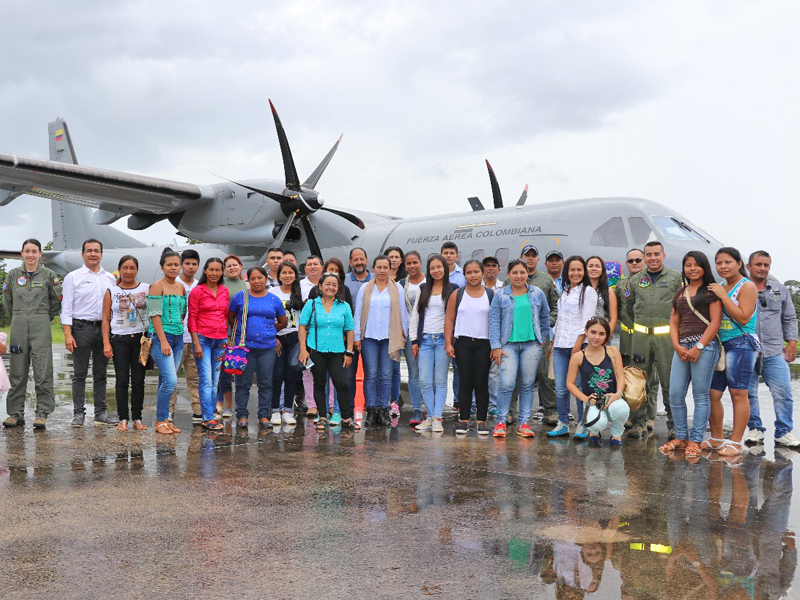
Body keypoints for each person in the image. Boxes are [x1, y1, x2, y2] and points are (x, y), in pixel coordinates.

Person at [658, 251, 721, 459]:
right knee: (675, 394)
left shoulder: (711, 292)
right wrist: (676, 345)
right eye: (688, 265)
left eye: (696, 265)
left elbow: (715, 322)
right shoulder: (679, 293)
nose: (692, 268)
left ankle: (695, 440)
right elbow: (673, 322)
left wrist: (699, 346)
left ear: (704, 267)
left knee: (701, 395)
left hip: (705, 346)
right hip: (682, 347)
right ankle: (681, 437)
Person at [624, 241, 682, 440]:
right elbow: (629, 308)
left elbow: (681, 307)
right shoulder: (635, 281)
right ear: (644, 257)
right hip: (640, 338)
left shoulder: (675, 278)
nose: (652, 258)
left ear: (663, 256)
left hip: (665, 337)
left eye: (656, 254)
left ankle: (674, 426)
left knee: (669, 381)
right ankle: (638, 423)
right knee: (638, 381)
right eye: (648, 254)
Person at [705, 247, 759, 457]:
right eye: (719, 263)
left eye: (728, 262)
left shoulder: (747, 286)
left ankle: (735, 442)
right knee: (713, 393)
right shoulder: (719, 286)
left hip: (741, 343)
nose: (723, 266)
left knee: (738, 393)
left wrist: (723, 296)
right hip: (720, 345)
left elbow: (743, 317)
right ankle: (717, 438)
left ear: (739, 264)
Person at [2, 239, 62, 429]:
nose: (30, 255)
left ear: (40, 254)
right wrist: (17, 317)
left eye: (34, 251)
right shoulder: (12, 275)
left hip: (41, 325)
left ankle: (42, 413)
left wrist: (45, 316)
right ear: (22, 253)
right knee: (17, 372)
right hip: (18, 325)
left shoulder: (49, 275)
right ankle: (15, 413)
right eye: (27, 251)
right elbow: (7, 302)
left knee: (43, 370)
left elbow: (57, 300)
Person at [489, 259, 551, 438]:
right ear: (508, 274)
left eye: (522, 272)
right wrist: (496, 346)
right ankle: (500, 421)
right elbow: (494, 321)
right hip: (508, 345)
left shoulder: (537, 293)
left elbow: (545, 316)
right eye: (514, 272)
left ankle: (524, 423)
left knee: (527, 385)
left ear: (527, 274)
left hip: (531, 345)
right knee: (506, 383)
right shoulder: (500, 295)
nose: (519, 276)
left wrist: (543, 339)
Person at [61, 238, 118, 427]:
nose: (93, 254)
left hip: (103, 329)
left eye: (96, 250)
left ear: (101, 254)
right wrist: (68, 333)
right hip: (81, 328)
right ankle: (78, 414)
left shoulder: (109, 278)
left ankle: (100, 413)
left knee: (100, 373)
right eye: (89, 250)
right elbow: (66, 307)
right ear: (82, 254)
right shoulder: (73, 277)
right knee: (80, 373)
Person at [744, 251, 799, 448]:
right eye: (758, 264)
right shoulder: (739, 289)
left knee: (783, 392)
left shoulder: (780, 290)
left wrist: (791, 342)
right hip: (746, 351)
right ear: (748, 266)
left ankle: (783, 431)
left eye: (766, 265)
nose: (762, 268)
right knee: (749, 394)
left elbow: (789, 318)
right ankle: (755, 429)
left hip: (775, 351)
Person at [354, 255, 409, 428]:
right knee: (371, 375)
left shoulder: (396, 289)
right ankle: (370, 410)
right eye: (379, 267)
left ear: (389, 269)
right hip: (369, 336)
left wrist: (405, 335)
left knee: (386, 375)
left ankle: (382, 409)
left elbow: (403, 312)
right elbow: (358, 313)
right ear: (374, 269)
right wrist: (357, 336)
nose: (382, 270)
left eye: (386, 267)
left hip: (389, 337)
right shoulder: (365, 288)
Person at [230, 267, 287, 429]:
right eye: (253, 278)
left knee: (266, 383)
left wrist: (269, 332)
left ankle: (264, 416)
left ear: (266, 279)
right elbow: (231, 318)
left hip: (267, 347)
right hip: (244, 347)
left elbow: (283, 322)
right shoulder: (241, 297)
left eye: (260, 278)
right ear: (249, 281)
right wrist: (242, 333)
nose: (256, 281)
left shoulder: (274, 300)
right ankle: (241, 415)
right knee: (242, 383)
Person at [547, 255, 598, 439]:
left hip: (579, 346)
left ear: (583, 272)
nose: (575, 273)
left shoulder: (588, 291)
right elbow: (560, 320)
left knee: (578, 387)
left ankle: (583, 424)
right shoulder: (565, 291)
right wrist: (553, 343)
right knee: (561, 387)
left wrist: (577, 348)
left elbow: (587, 321)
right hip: (561, 346)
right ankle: (562, 423)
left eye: (579, 270)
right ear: (566, 272)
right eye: (572, 270)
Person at [298, 272, 357, 430]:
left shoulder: (344, 306)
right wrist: (303, 350)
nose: (331, 287)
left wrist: (349, 351)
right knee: (319, 384)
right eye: (327, 284)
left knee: (342, 383)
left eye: (334, 285)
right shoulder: (311, 304)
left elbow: (350, 329)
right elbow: (302, 327)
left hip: (337, 351)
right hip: (317, 350)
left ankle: (346, 417)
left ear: (338, 288)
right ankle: (322, 416)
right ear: (320, 287)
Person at [445, 260, 494, 435]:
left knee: (481, 383)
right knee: (465, 382)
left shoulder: (490, 294)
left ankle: (481, 421)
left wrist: (495, 346)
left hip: (484, 343)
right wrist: (448, 343)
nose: (472, 275)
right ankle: (464, 420)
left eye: (476, 272)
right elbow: (449, 320)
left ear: (482, 273)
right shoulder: (457, 294)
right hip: (463, 343)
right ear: (464, 274)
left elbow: (495, 321)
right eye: (469, 272)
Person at [101, 255, 150, 431]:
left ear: (137, 270)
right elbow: (105, 319)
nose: (128, 272)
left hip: (140, 339)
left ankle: (137, 418)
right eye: (125, 268)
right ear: (119, 269)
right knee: (122, 380)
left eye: (132, 268)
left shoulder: (146, 288)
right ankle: (123, 419)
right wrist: (106, 343)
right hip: (119, 340)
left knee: (138, 381)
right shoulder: (111, 291)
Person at [566, 318, 628, 447]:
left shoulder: (612, 351)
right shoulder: (578, 356)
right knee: (597, 423)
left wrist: (618, 394)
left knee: (621, 409)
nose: (596, 337)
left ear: (606, 336)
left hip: (613, 399)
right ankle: (594, 432)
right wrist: (585, 399)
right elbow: (570, 383)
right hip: (592, 401)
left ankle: (616, 433)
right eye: (593, 332)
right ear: (586, 332)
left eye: (601, 334)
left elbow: (620, 376)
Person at [615, 248, 659, 429]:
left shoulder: (651, 281)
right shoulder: (620, 285)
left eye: (638, 260)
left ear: (644, 261)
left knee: (651, 378)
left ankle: (649, 416)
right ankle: (632, 415)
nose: (634, 263)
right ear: (626, 263)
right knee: (630, 376)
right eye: (630, 261)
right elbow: (618, 310)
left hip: (649, 335)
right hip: (628, 336)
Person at [410, 255, 454, 433]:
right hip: (426, 340)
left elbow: (454, 317)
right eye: (432, 268)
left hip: (444, 340)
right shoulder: (423, 289)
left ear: (445, 268)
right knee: (424, 380)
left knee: (440, 380)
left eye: (439, 267)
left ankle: (437, 418)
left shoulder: (453, 289)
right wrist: (414, 340)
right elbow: (415, 315)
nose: (436, 271)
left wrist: (452, 341)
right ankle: (429, 417)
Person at [147, 248, 188, 434]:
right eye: (169, 265)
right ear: (162, 266)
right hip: (160, 338)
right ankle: (160, 421)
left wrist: (178, 325)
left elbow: (183, 311)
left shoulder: (180, 287)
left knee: (167, 380)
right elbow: (154, 315)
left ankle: (165, 420)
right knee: (171, 380)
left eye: (176, 265)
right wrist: (163, 341)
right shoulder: (157, 286)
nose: (173, 268)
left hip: (178, 338)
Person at [519, 244, 559, 426]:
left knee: (545, 375)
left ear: (537, 259)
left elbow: (555, 305)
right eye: (527, 255)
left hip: (542, 336)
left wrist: (549, 322)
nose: (530, 258)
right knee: (518, 376)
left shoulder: (545, 280)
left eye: (533, 256)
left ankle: (551, 411)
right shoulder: (513, 278)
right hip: (518, 335)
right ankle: (513, 413)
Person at [188, 257, 229, 432]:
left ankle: (210, 413)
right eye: (211, 269)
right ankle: (207, 418)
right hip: (203, 340)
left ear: (222, 272)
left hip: (221, 340)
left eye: (218, 270)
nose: (214, 273)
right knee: (206, 380)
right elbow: (192, 319)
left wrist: (227, 338)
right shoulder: (197, 291)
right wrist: (196, 343)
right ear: (205, 271)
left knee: (215, 380)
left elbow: (226, 316)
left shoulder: (224, 290)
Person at [268, 261, 302, 426]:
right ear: (279, 275)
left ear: (295, 275)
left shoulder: (299, 292)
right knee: (277, 375)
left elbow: (304, 320)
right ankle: (274, 410)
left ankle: (288, 410)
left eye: (291, 272)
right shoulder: (272, 293)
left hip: (295, 338)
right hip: (277, 338)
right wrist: (273, 337)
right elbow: (267, 318)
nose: (287, 276)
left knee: (291, 376)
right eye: (284, 273)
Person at [169, 249, 201, 423]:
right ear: (181, 265)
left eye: (194, 264)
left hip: (195, 338)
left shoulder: (199, 285)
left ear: (198, 266)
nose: (190, 267)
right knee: (171, 376)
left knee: (195, 377)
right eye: (187, 263)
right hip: (175, 338)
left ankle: (198, 411)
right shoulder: (173, 283)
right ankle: (169, 410)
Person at [217, 255, 248, 418]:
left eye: (235, 265)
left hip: (242, 334)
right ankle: (224, 404)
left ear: (241, 266)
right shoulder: (220, 285)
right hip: (224, 332)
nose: (232, 268)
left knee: (240, 368)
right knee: (224, 370)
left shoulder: (248, 285)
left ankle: (237, 406)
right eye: (228, 266)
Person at [399, 251, 425, 426]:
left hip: (429, 332)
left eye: (415, 262)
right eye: (408, 263)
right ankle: (417, 409)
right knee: (414, 372)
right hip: (410, 334)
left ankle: (430, 409)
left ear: (421, 263)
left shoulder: (430, 282)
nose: (412, 266)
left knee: (430, 373)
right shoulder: (401, 284)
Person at [586, 256, 617, 334]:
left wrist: (606, 337)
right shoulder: (578, 290)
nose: (594, 268)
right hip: (581, 335)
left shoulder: (608, 291)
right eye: (590, 266)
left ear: (602, 270)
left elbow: (613, 318)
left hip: (601, 335)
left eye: (597, 266)